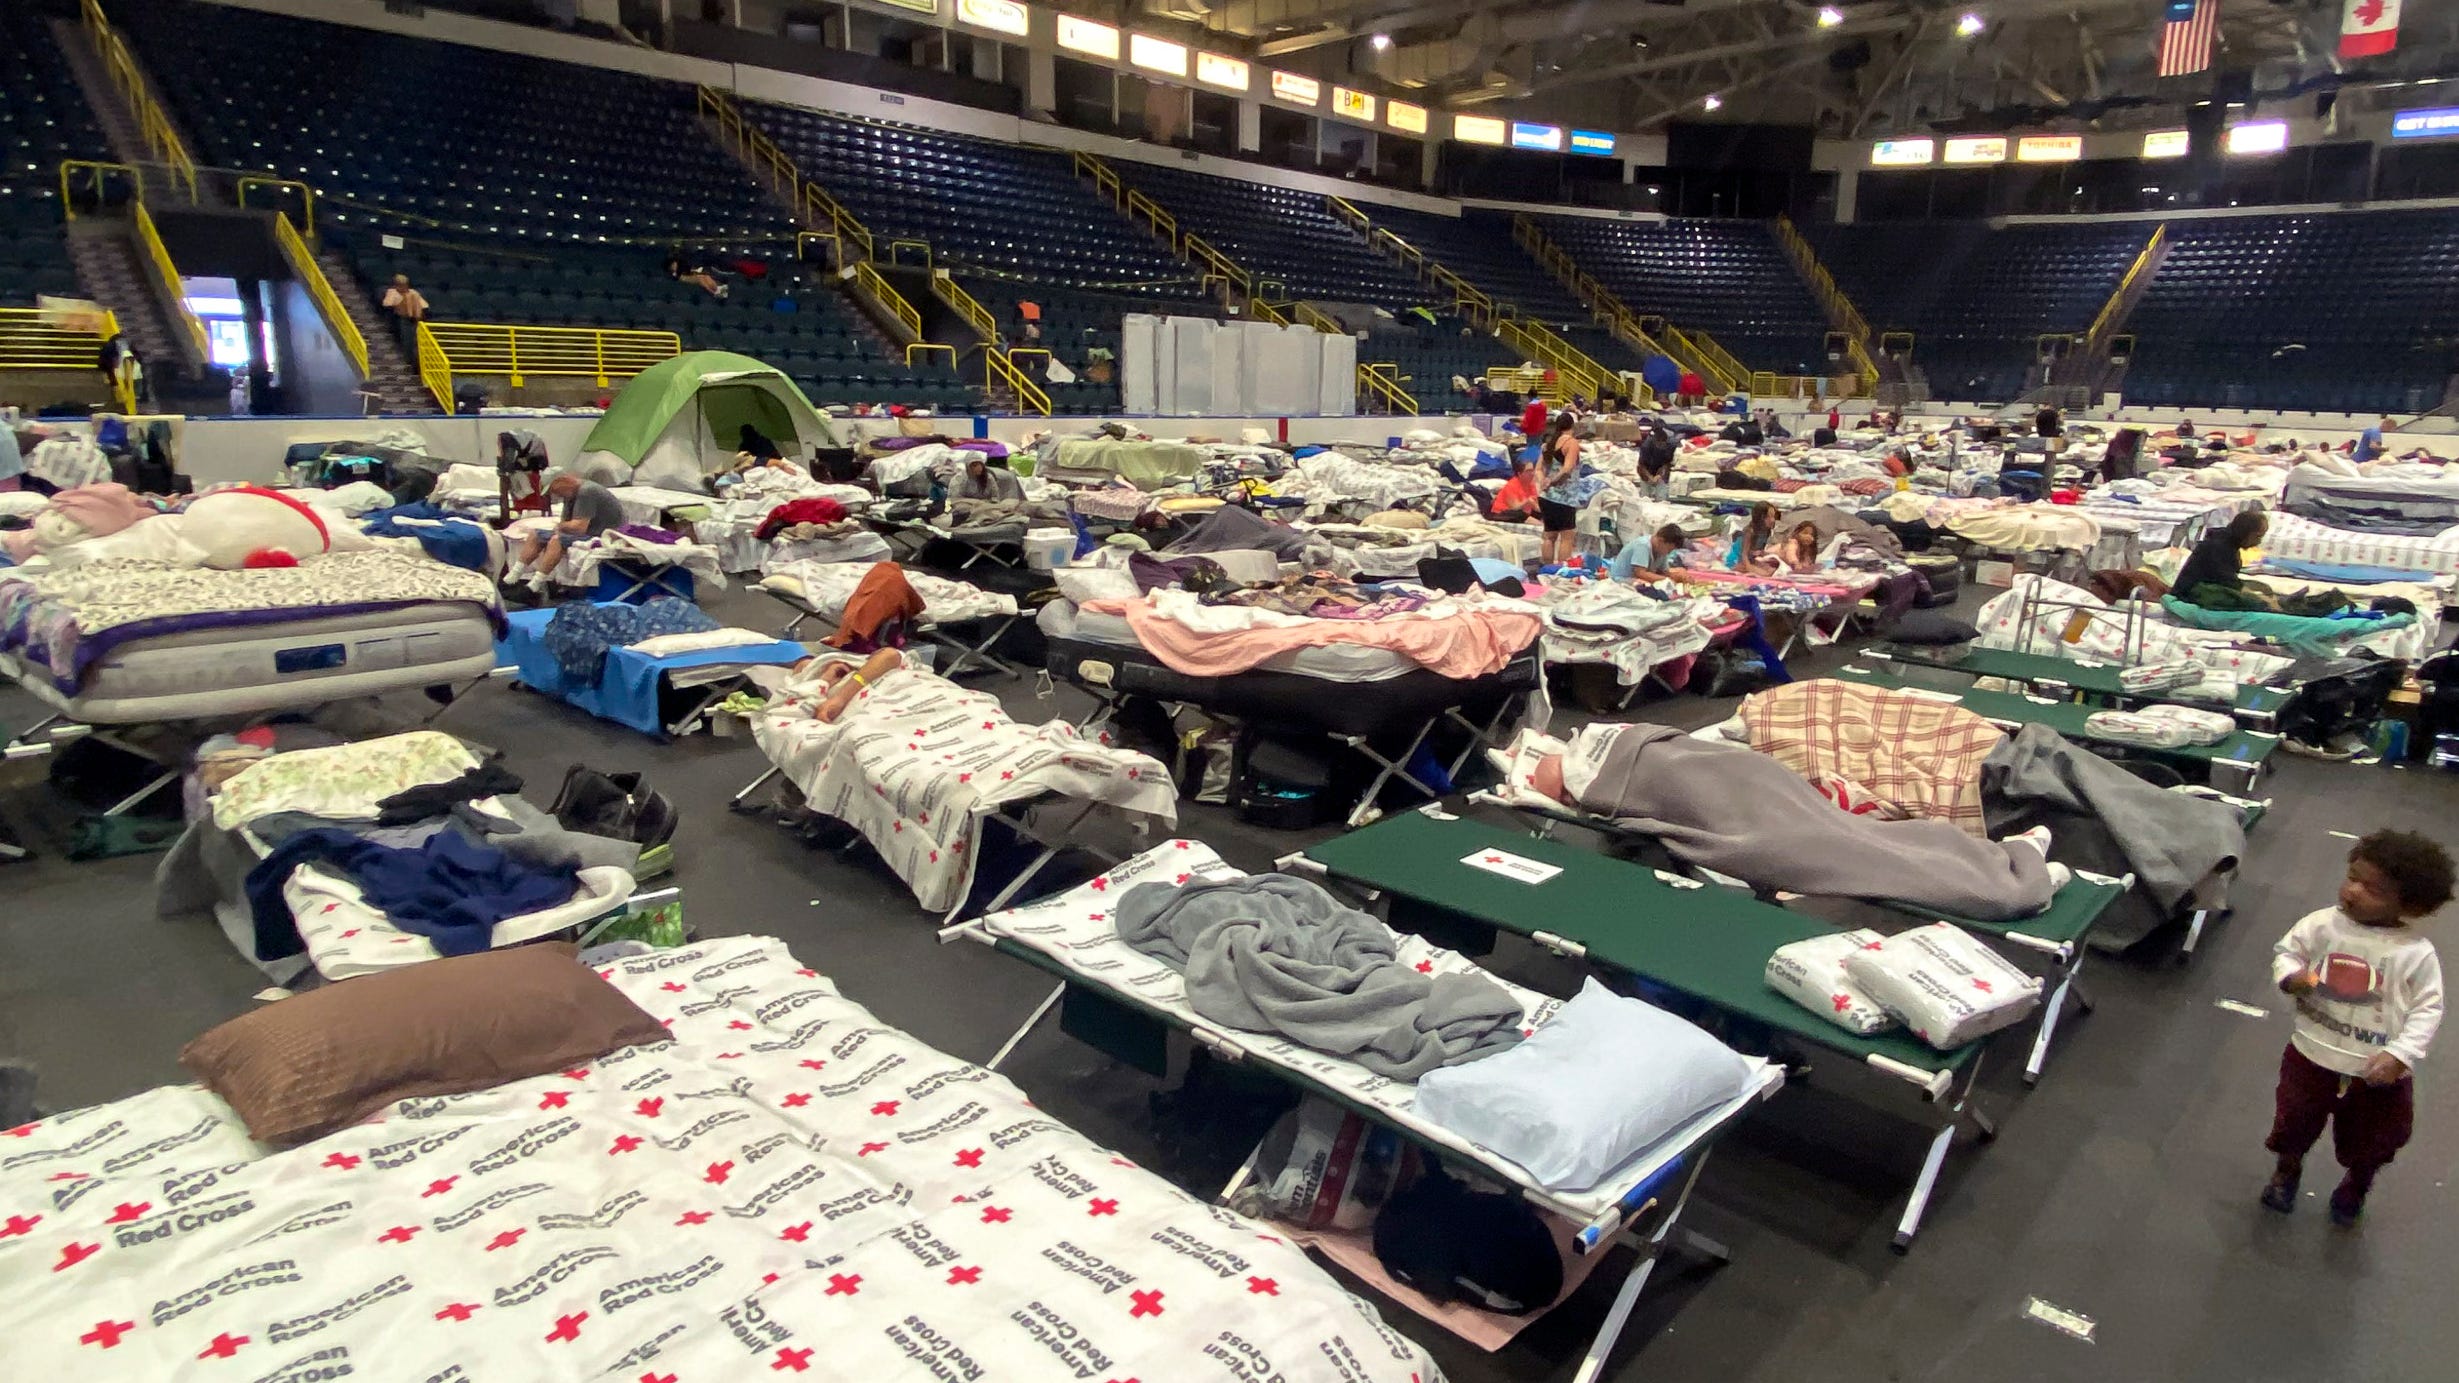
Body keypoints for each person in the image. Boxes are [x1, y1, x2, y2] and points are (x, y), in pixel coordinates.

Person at [2262, 829, 2449, 1226]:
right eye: (2352, 878)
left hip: (2376, 1070)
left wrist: (2400, 1055)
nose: (2353, 892)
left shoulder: (2415, 954)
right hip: (2312, 1052)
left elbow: (2427, 1009)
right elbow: (2287, 953)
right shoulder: (2321, 925)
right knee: (2294, 1120)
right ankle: (2287, 1170)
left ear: (2410, 904)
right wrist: (2293, 977)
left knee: (2375, 1138)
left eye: (2373, 890)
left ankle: (2357, 1184)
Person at [512, 471, 626, 579]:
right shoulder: (570, 495)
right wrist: (561, 527)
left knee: (557, 540)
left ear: (562, 481)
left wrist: (560, 527)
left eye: (553, 489)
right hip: (586, 532)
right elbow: (565, 522)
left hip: (602, 534)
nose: (554, 494)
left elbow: (579, 527)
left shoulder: (587, 492)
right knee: (536, 534)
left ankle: (536, 582)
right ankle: (514, 575)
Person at [2172, 510, 2267, 604]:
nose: (2259, 542)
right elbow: (2230, 582)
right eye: (2257, 537)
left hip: (2209, 588)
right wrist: (2262, 600)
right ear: (2245, 532)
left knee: (2264, 589)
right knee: (2258, 603)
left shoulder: (2228, 542)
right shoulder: (2219, 547)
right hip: (2190, 596)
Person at [1534, 413, 1585, 567]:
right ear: (1572, 426)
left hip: (1546, 498)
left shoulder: (1547, 444)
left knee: (1549, 536)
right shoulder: (1571, 443)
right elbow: (1567, 468)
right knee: (1567, 536)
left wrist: (1543, 481)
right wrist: (1552, 481)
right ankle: (1561, 571)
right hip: (1565, 498)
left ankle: (1547, 568)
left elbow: (1538, 469)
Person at [1608, 523, 1689, 583]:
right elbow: (1640, 573)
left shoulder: (1661, 551)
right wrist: (1667, 580)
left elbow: (1664, 572)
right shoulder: (1642, 545)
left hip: (1636, 579)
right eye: (1669, 550)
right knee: (1646, 586)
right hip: (1621, 579)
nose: (1668, 553)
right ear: (1661, 540)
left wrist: (1678, 577)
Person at [949, 454, 1022, 504]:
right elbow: (955, 500)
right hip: (966, 509)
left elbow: (995, 497)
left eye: (980, 465)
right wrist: (975, 503)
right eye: (974, 465)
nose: (978, 468)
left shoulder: (988, 478)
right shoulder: (959, 480)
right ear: (968, 467)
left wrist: (989, 504)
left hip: (987, 508)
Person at [381, 274, 429, 349]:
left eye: (405, 285)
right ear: (396, 285)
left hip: (415, 318)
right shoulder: (392, 292)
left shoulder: (413, 293)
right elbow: (387, 304)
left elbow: (424, 306)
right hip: (400, 318)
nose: (404, 287)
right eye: (400, 285)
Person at [1489, 455, 1541, 521]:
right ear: (1519, 474)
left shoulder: (1531, 485)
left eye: (1532, 470)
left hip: (1522, 512)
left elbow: (1536, 505)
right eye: (1528, 471)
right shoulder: (1511, 485)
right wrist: (1527, 501)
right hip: (1501, 513)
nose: (1532, 473)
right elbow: (1514, 507)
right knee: (1520, 514)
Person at [1634, 423, 1675, 501]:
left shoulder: (1670, 446)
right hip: (1647, 470)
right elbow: (1641, 465)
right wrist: (1649, 476)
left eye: (1663, 443)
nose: (1661, 445)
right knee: (1645, 498)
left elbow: (1667, 464)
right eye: (1659, 443)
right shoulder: (1646, 447)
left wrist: (1660, 475)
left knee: (1661, 498)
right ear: (1655, 441)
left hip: (1660, 470)